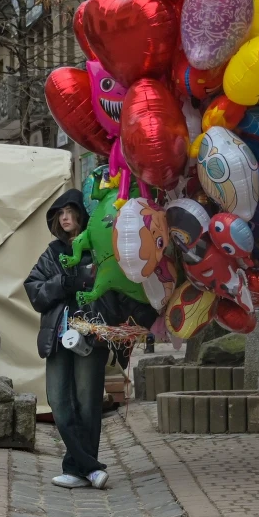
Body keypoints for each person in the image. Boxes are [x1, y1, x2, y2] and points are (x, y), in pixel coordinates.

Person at [23, 190, 158, 489]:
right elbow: (34, 291)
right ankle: (91, 468)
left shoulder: (100, 247)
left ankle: (76, 469)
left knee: (87, 402)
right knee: (58, 400)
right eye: (60, 213)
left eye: (70, 211)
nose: (65, 217)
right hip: (59, 337)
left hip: (92, 334)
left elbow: (121, 286)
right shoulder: (52, 253)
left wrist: (148, 315)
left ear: (82, 215)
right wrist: (64, 282)